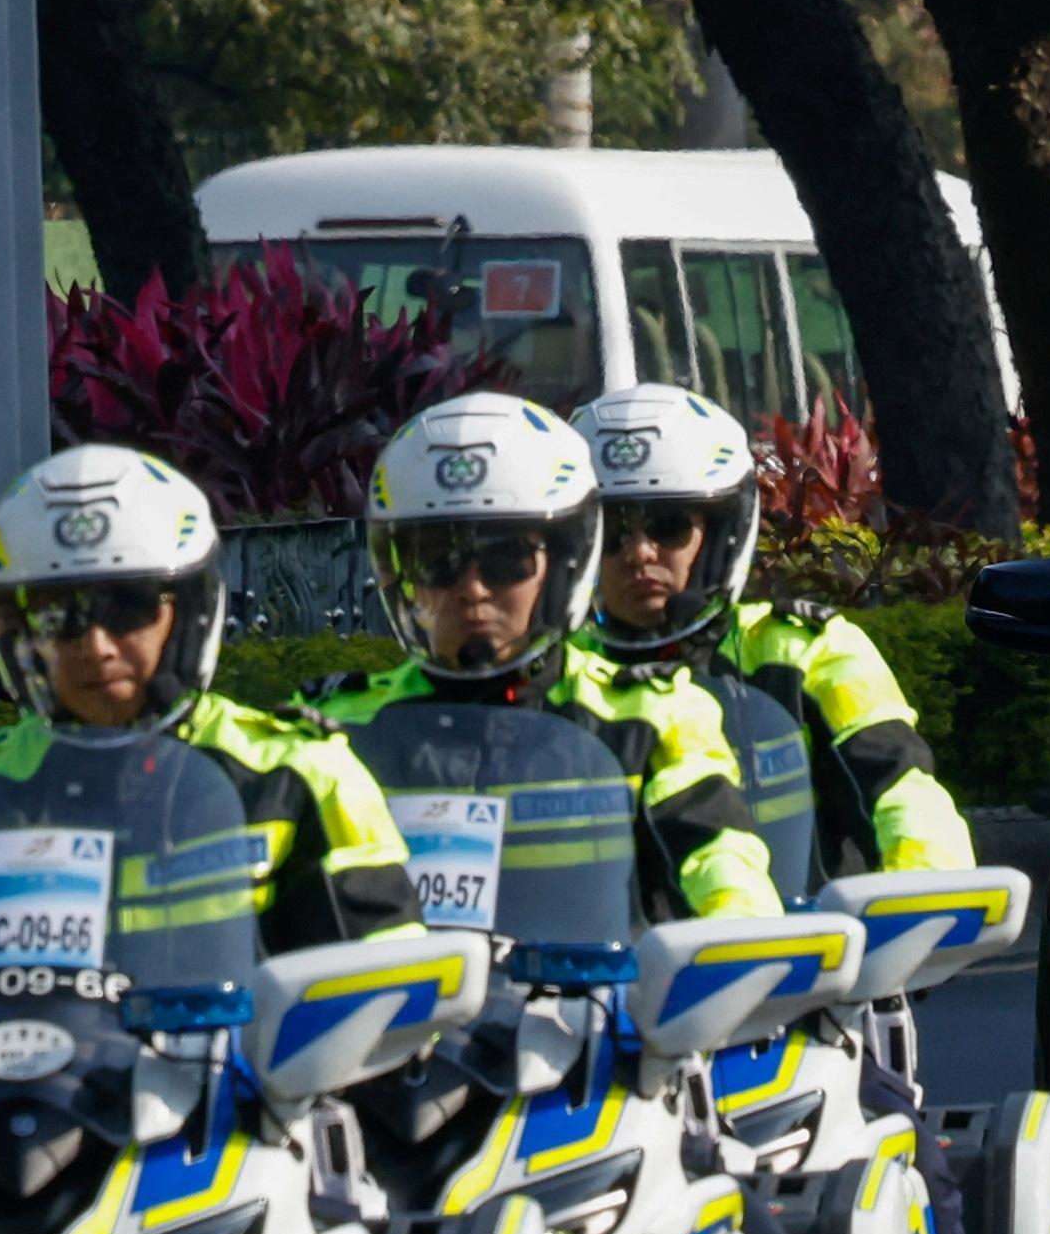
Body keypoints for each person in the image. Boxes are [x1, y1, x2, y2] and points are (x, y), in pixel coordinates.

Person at [0, 444, 420, 980]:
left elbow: (386, 976)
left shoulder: (295, 775)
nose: (96, 646)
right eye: (59, 617)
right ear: (18, 631)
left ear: (188, 612)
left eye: (127, 607)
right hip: (13, 1069)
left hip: (232, 1075)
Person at [328, 395, 778, 922]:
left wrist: (737, 935)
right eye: (436, 563)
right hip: (413, 977)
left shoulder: (650, 714)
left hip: (602, 977)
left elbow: (722, 856)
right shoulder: (338, 730)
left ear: (564, 565)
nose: (472, 590)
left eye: (506, 560)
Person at [573, 384, 968, 879]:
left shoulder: (805, 649)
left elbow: (901, 786)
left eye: (668, 526)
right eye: (611, 532)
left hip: (797, 925)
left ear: (721, 534)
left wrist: (930, 884)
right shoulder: (560, 677)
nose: (639, 553)